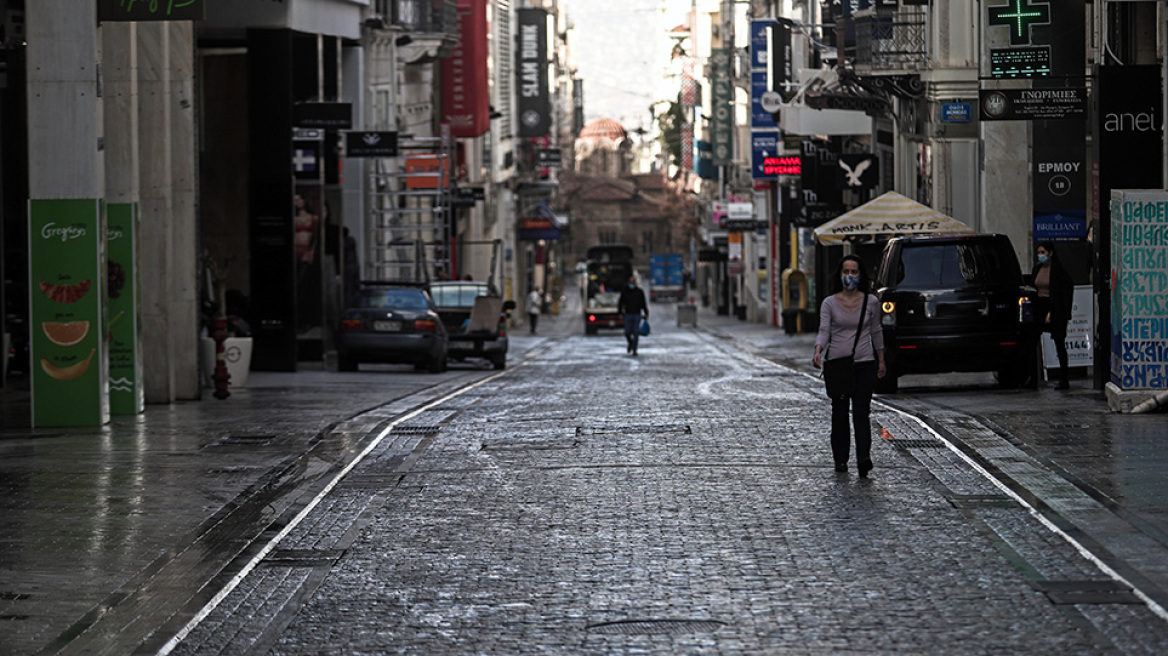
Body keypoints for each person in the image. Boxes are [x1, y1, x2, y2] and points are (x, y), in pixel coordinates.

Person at [812, 255, 885, 477]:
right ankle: (840, 460)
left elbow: (876, 331)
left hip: (864, 363)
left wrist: (881, 359)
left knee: (861, 412)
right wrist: (818, 349)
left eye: (854, 272)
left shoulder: (871, 302)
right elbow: (824, 330)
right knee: (840, 413)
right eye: (846, 272)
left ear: (860, 275)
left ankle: (864, 458)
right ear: (840, 275)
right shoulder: (829, 303)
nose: (849, 276)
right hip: (838, 365)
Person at [1028, 241, 1074, 390]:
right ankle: (1033, 378)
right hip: (1039, 306)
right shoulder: (1037, 268)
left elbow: (1063, 291)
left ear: (1050, 253)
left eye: (1043, 252)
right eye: (1039, 253)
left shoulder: (1058, 271)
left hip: (1054, 307)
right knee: (1032, 340)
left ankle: (1064, 379)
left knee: (1059, 343)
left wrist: (1055, 312)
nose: (1040, 255)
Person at [618, 276, 649, 356]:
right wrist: (620, 313)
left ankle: (634, 349)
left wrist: (646, 313)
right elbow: (621, 303)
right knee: (627, 332)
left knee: (635, 333)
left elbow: (643, 303)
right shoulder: (625, 292)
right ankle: (631, 343)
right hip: (628, 314)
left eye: (633, 282)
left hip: (637, 314)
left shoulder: (639, 292)